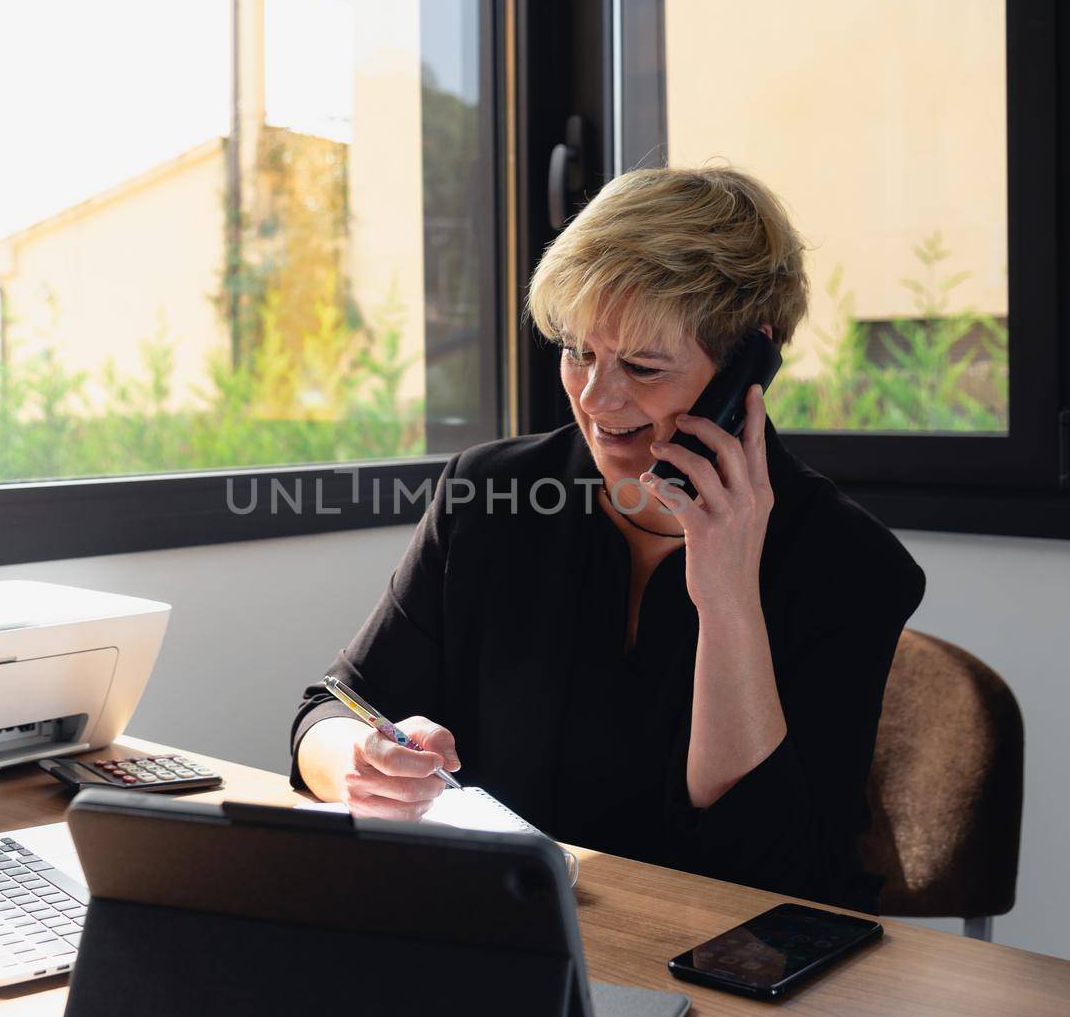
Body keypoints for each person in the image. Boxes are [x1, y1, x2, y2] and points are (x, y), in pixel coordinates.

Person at [288, 165, 925, 912]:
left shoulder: (850, 566)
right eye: (579, 351)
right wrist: (359, 762)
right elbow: (329, 709)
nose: (596, 399)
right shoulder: (488, 495)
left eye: (643, 367)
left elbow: (773, 871)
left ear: (747, 368)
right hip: (518, 934)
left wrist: (727, 601)